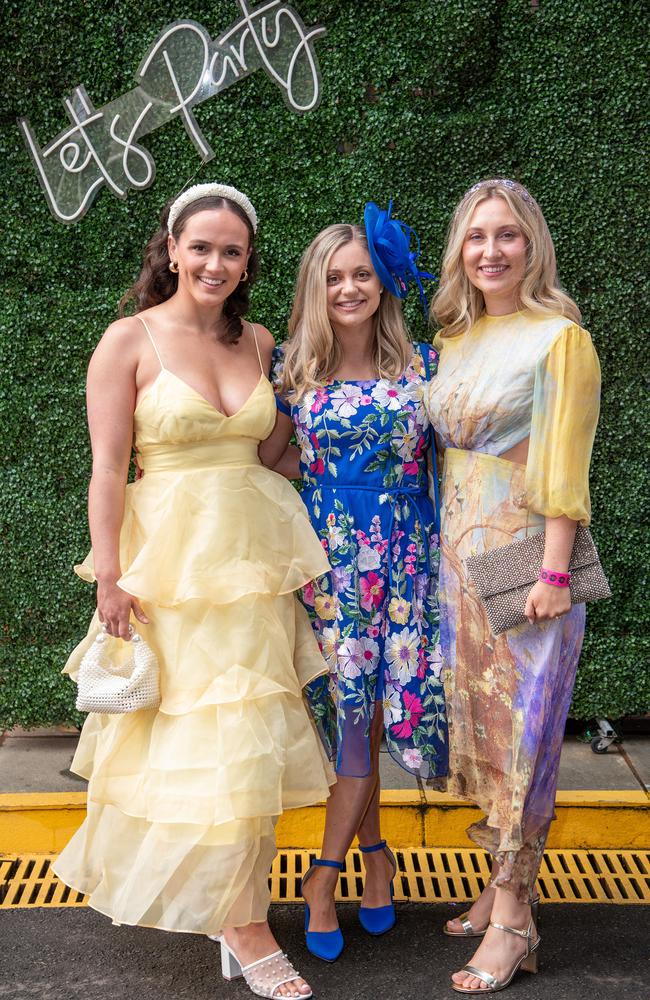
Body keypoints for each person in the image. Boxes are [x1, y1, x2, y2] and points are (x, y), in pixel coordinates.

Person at [52, 183, 336, 1000]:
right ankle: (244, 928)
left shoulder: (259, 340)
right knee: (190, 740)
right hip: (169, 570)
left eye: (232, 251)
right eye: (202, 246)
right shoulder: (127, 340)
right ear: (172, 249)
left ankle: (237, 908)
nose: (215, 262)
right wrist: (109, 575)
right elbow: (109, 468)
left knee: (248, 736)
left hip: (251, 564)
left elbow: (278, 451)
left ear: (247, 263)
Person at [423, 178, 600, 994]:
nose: (490, 251)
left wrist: (556, 572)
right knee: (484, 733)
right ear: (460, 249)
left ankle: (516, 916)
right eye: (475, 237)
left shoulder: (557, 338)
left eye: (508, 235)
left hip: (526, 555)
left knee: (525, 738)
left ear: (532, 245)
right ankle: (497, 882)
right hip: (456, 558)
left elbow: (565, 466)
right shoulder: (453, 340)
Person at [261, 205, 448, 962]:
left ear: (383, 282)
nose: (348, 288)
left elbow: (467, 462)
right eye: (333, 277)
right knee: (349, 716)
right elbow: (270, 465)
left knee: (373, 712)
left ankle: (342, 867)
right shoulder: (292, 376)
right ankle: (352, 864)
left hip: (407, 558)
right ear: (316, 288)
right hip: (333, 564)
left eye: (361, 274)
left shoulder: (426, 367)